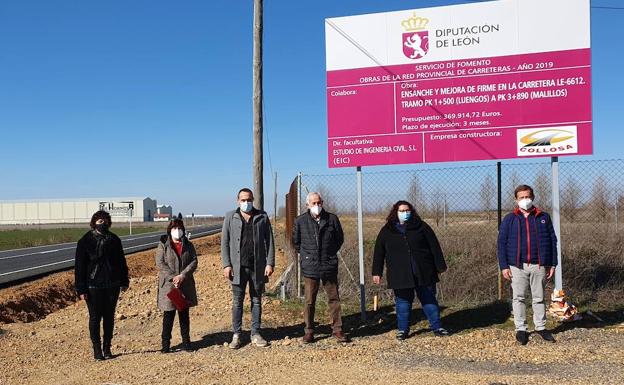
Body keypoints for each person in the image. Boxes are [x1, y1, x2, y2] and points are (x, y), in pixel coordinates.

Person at [372, 201, 449, 340]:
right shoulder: (387, 230)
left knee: (429, 300)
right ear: (395, 212)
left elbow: (434, 246)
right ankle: (403, 330)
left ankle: (437, 327)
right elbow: (379, 252)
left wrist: (440, 266)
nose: (404, 213)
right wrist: (376, 272)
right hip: (400, 274)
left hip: (423, 271)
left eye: (407, 210)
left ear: (411, 211)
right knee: (402, 303)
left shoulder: (421, 226)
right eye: (401, 211)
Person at [497, 184, 557, 345]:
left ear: (533, 197)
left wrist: (552, 264)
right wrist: (503, 266)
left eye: (527, 196)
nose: (525, 200)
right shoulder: (510, 219)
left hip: (539, 265)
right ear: (516, 200)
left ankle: (541, 327)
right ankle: (521, 329)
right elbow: (501, 243)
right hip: (517, 266)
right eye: (522, 197)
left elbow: (552, 241)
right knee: (519, 298)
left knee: (539, 297)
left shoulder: (543, 217)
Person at [221, 188, 275, 348]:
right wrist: (226, 264)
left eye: (249, 199)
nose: (247, 202)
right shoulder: (231, 216)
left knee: (256, 300)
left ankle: (255, 333)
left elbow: (270, 241)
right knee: (237, 302)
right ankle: (237, 334)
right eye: (243, 200)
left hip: (257, 267)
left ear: (253, 200)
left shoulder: (262, 216)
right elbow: (224, 242)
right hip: (237, 268)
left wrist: (270, 263)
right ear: (238, 201)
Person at [292, 192, 348, 343]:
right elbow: (296, 242)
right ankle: (309, 331)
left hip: (328, 265)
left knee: (334, 299)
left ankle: (337, 329)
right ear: (307, 205)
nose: (317, 206)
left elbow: (339, 238)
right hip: (310, 267)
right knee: (309, 300)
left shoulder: (332, 219)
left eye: (319, 202)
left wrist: (329, 253)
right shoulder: (300, 221)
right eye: (313, 203)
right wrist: (307, 256)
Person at [75, 210, 129, 360]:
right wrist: (81, 288)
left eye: (105, 220)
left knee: (109, 317)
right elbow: (79, 267)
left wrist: (124, 280)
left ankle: (107, 347)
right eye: (99, 220)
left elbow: (121, 262)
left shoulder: (114, 239)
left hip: (112, 284)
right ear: (94, 222)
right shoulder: (85, 241)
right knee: (94, 318)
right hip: (93, 286)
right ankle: (97, 349)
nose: (102, 223)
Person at [155, 218, 198, 353]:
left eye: (180, 229)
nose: (177, 231)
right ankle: (165, 344)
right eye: (174, 228)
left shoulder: (188, 245)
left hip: (184, 284)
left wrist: (182, 275)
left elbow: (194, 261)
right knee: (168, 315)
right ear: (170, 230)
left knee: (183, 314)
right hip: (169, 285)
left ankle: (186, 342)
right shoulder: (163, 245)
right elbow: (160, 262)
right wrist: (173, 276)